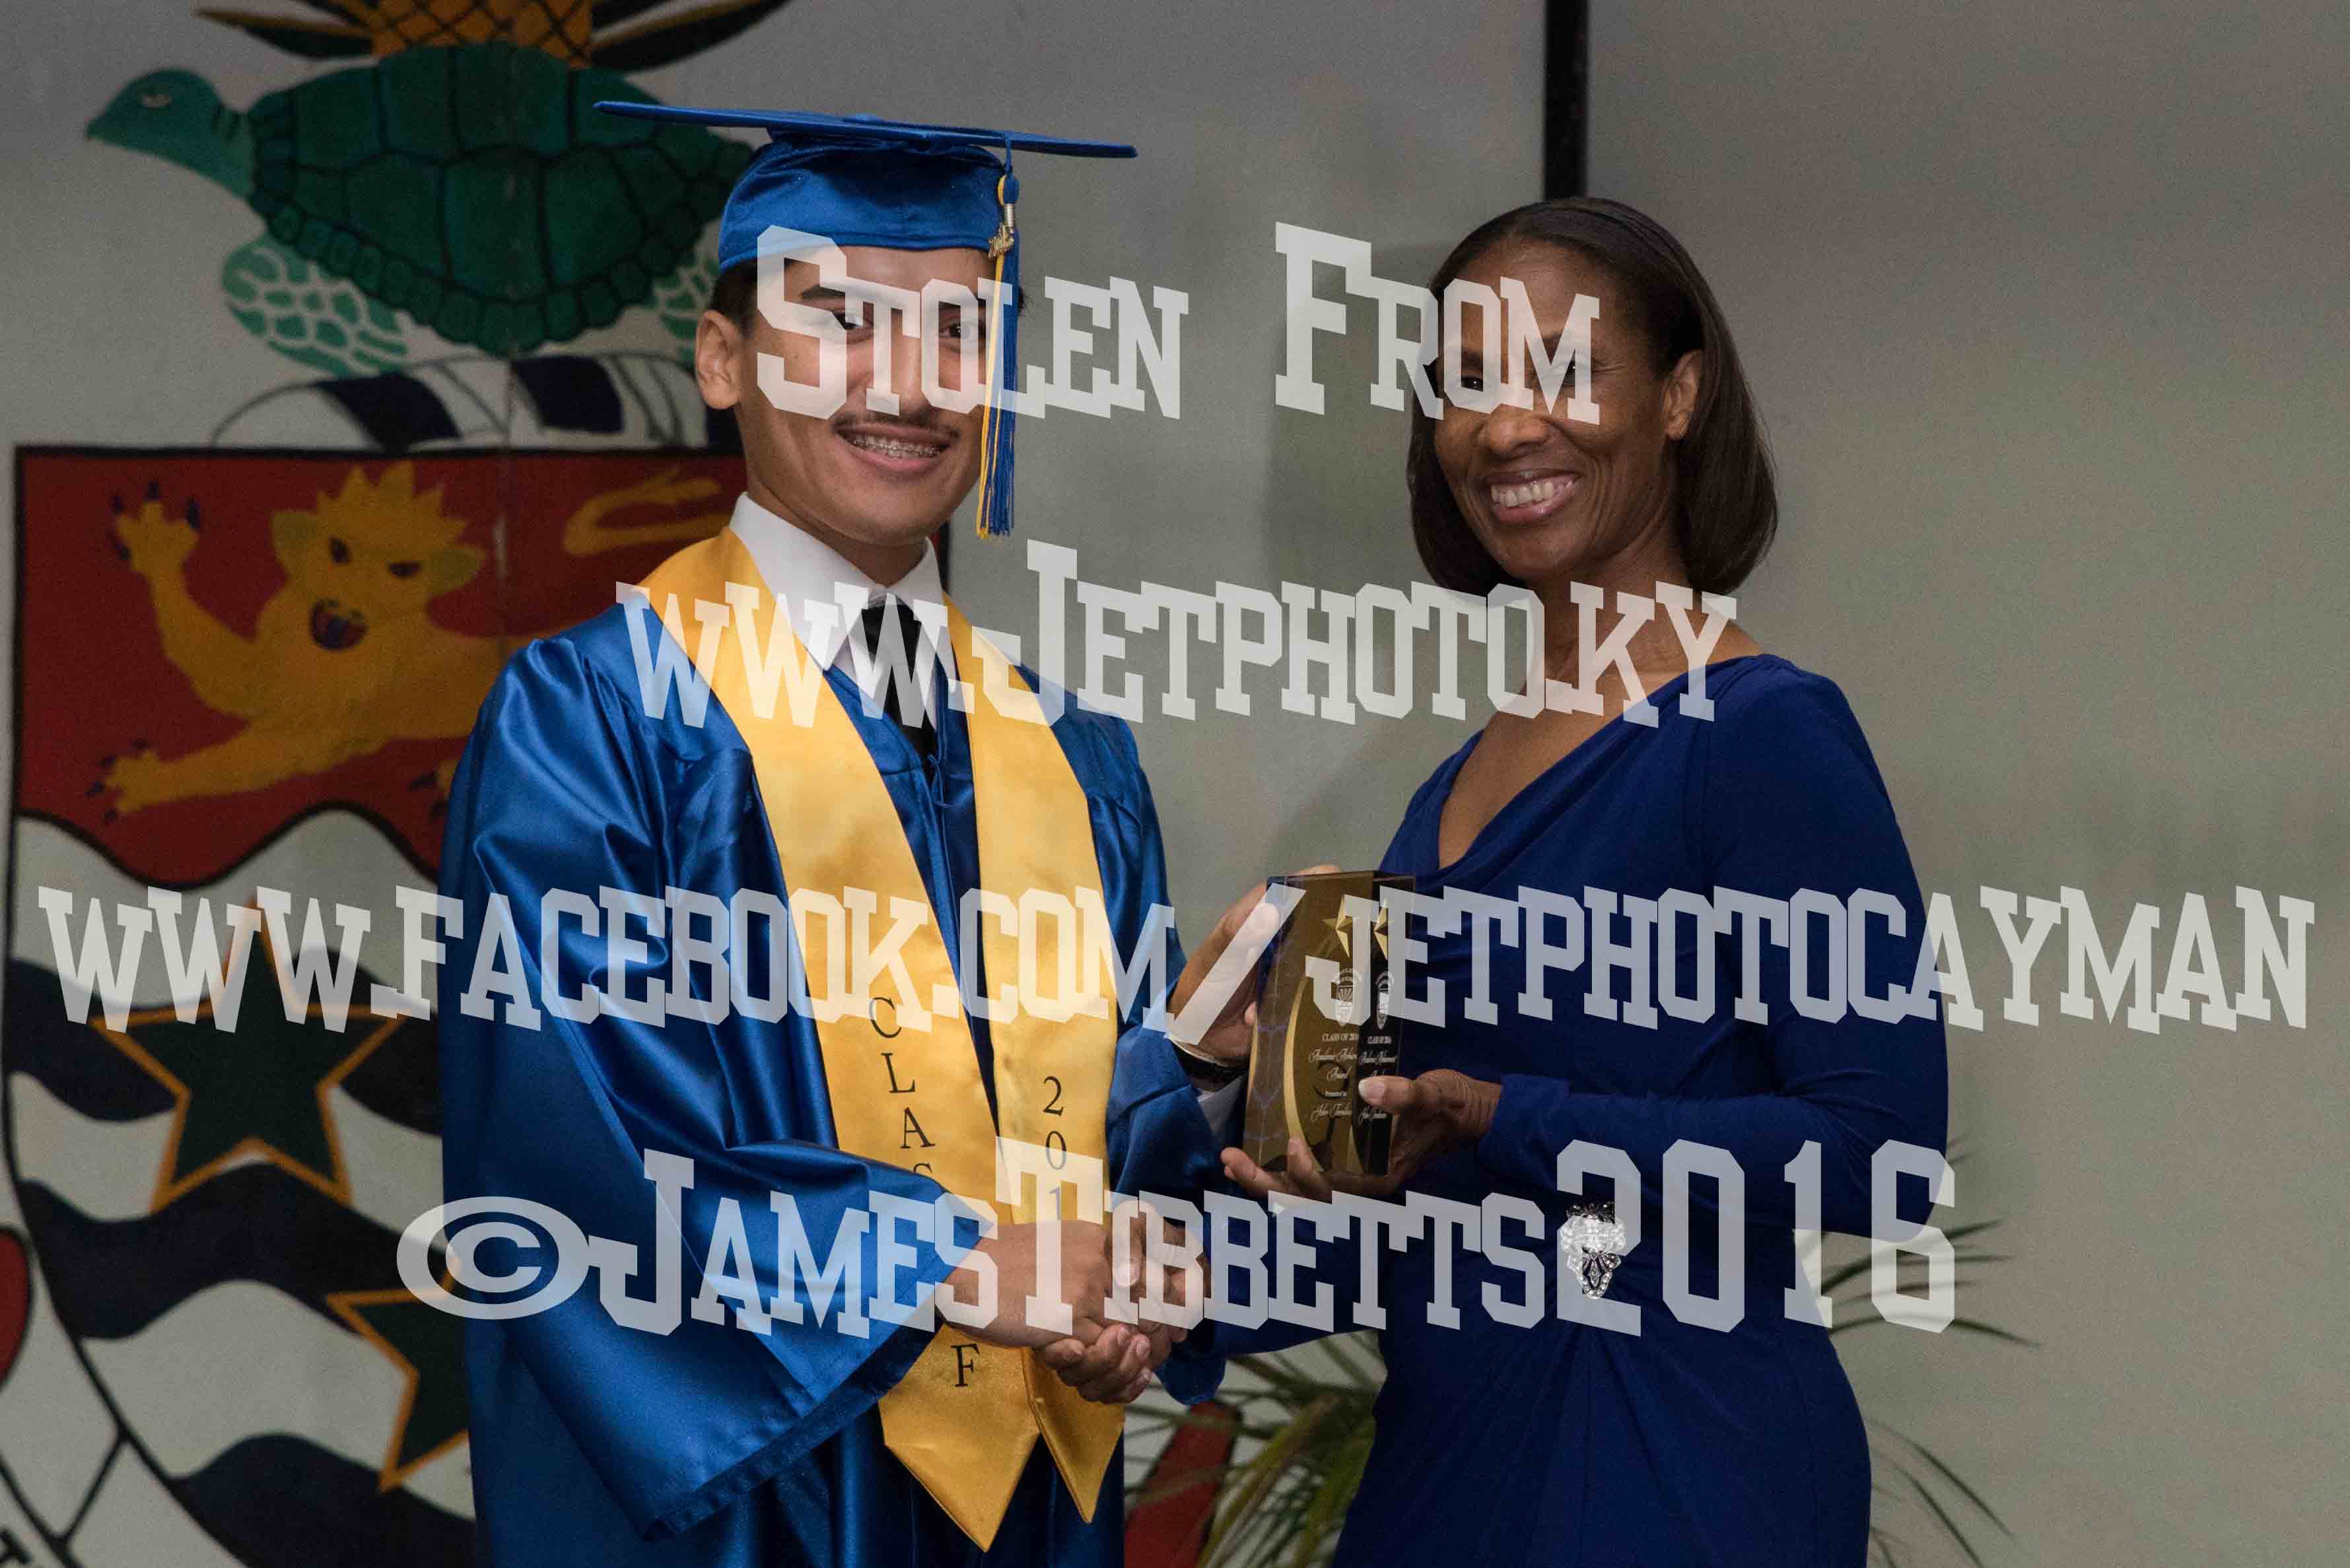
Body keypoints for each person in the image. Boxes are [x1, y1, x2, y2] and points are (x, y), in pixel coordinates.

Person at [436, 109, 1240, 1567]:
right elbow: (574, 1141)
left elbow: (1105, 1139)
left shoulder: (1074, 755)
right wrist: (953, 1262)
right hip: (753, 1504)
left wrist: (1159, 1210)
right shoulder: (598, 718)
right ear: (722, 358)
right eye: (843, 321)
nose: (908, 384)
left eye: (959, 331)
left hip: (1030, 1507)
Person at [1200, 197, 1951, 1565]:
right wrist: (1216, 1156)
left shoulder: (1762, 735)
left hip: (1676, 1456)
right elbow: (1402, 1222)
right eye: (1465, 383)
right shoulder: (1449, 791)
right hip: (1449, 1461)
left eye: (1561, 370)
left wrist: (1505, 1114)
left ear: (1679, 396)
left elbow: (1879, 1157)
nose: (1504, 427)